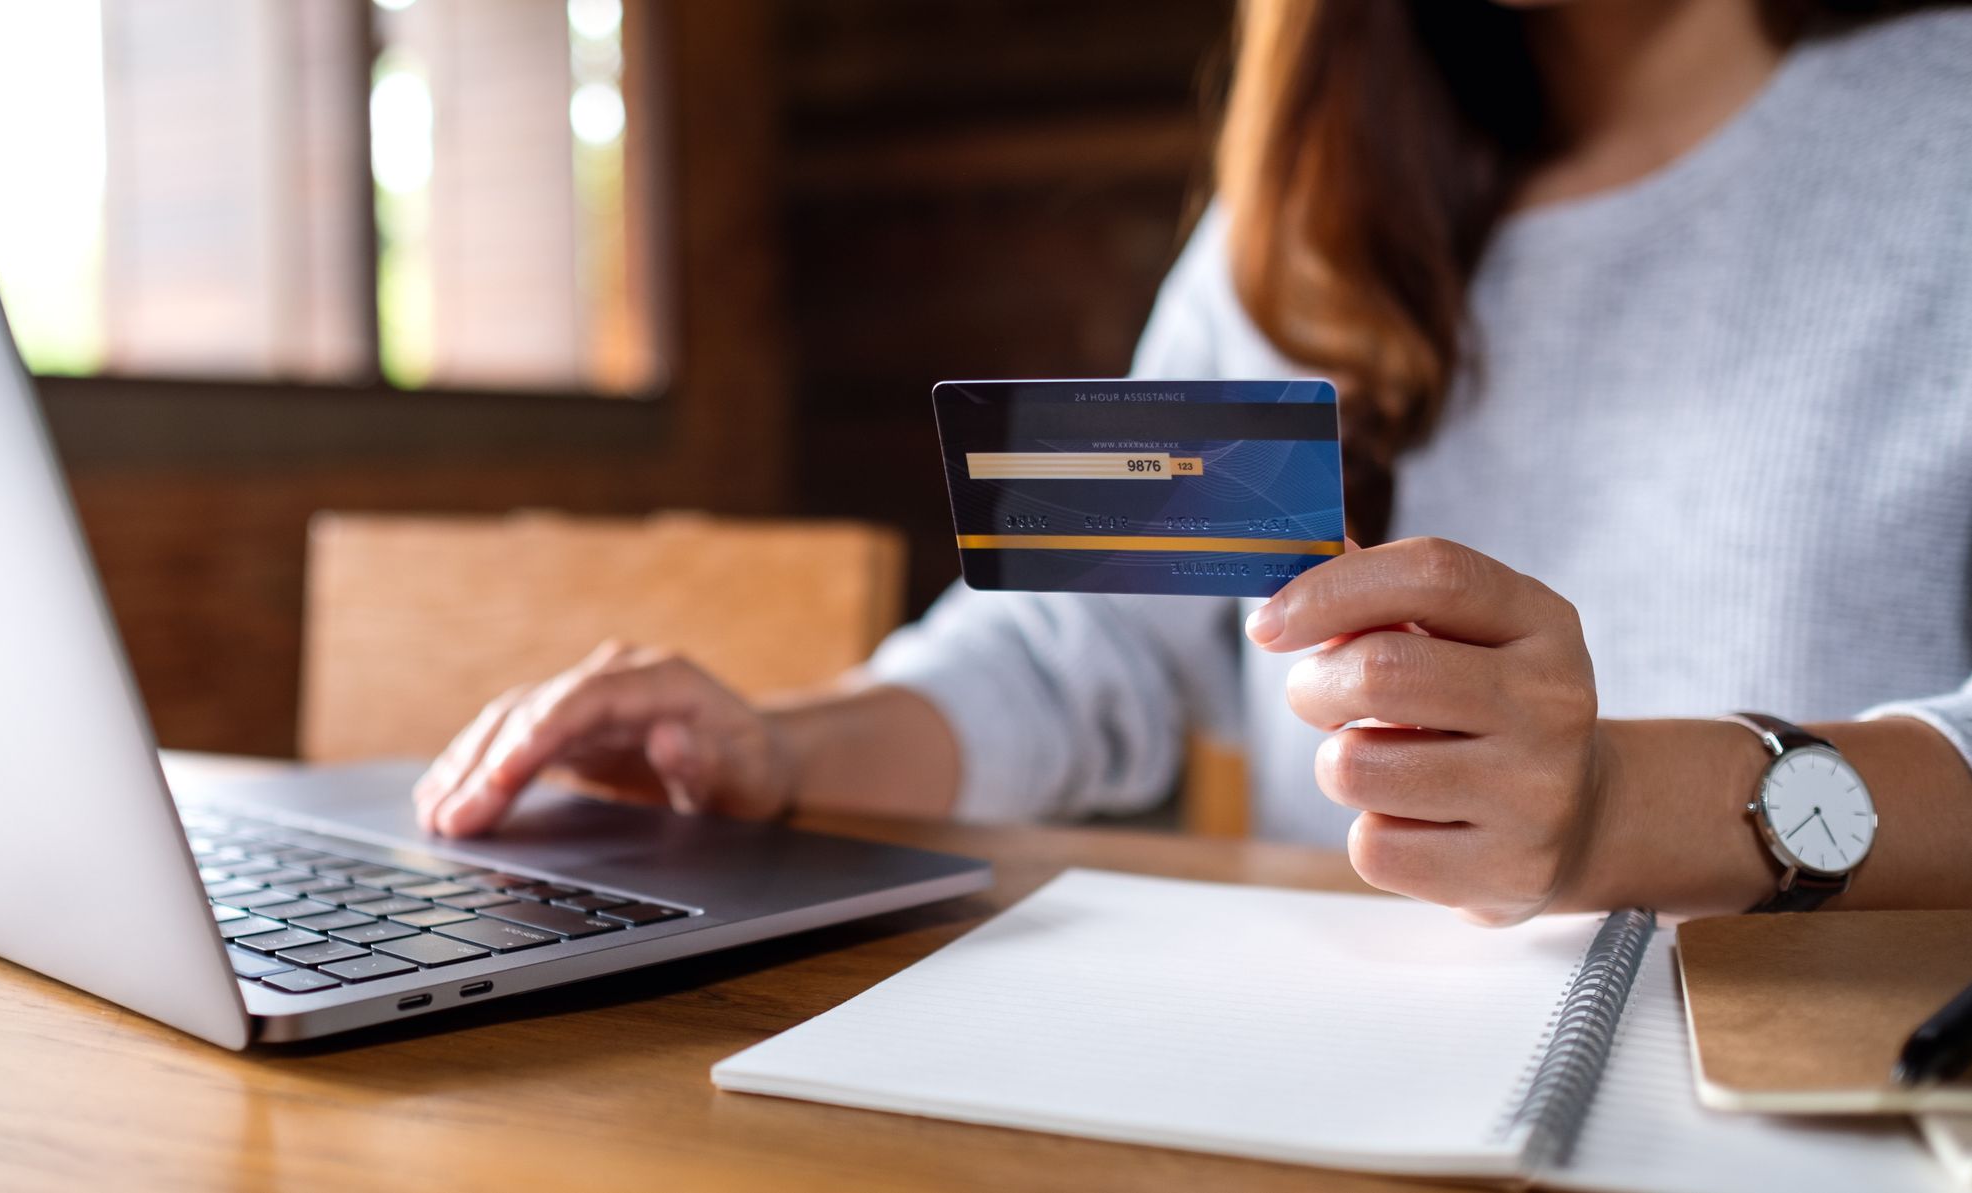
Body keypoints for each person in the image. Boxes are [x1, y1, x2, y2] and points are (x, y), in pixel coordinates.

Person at [414, 0, 1972, 925]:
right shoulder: (1295, 223)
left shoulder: (1940, 125)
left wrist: (1631, 800)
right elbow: (1081, 639)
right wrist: (782, 750)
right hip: (1325, 1097)